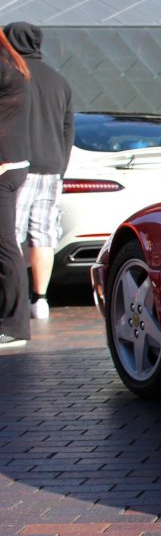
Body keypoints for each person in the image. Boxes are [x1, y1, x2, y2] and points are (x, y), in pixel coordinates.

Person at [4, 23, 73, 321]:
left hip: (20, 165)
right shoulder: (60, 81)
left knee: (11, 236)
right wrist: (61, 166)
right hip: (53, 166)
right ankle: (40, 300)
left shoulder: (16, 76)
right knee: (43, 235)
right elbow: (68, 128)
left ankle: (13, 303)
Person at [0, 26, 32, 348]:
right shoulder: (13, 66)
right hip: (13, 164)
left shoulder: (4, 69)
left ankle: (14, 326)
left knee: (5, 246)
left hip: (4, 168)